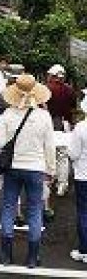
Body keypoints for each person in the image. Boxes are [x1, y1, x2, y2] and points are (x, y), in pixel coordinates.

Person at [0, 74, 55, 268]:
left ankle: (6, 256)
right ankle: (32, 257)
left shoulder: (7, 115)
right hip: (36, 168)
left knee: (8, 208)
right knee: (35, 210)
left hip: (12, 167)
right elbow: (50, 147)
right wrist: (51, 170)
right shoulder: (44, 116)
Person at [46, 64, 77, 196]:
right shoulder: (70, 90)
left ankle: (50, 180)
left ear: (52, 76)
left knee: (49, 153)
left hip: (49, 124)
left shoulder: (47, 89)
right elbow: (73, 109)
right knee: (63, 156)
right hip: (65, 124)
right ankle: (62, 185)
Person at [68, 92, 87, 264]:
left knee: (84, 212)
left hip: (83, 174)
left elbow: (73, 153)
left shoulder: (81, 128)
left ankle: (84, 250)